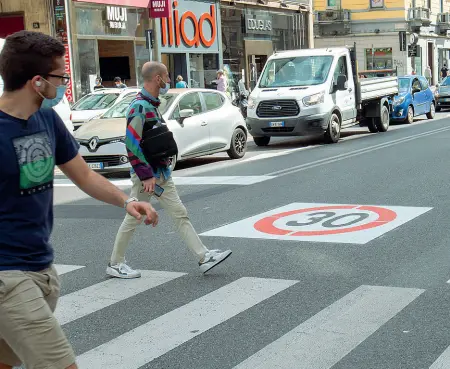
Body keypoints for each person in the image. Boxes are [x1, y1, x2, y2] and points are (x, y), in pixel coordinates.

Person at [0, 31, 158, 369]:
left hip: (40, 266)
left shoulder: (45, 118)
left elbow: (83, 175)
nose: (64, 84)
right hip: (7, 276)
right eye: (60, 76)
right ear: (37, 82)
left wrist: (126, 201)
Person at [108, 61, 232, 279]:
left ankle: (203, 257)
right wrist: (145, 175)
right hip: (149, 178)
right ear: (157, 78)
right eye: (166, 77)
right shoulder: (139, 107)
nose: (168, 81)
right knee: (134, 217)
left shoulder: (151, 104)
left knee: (179, 213)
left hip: (161, 174)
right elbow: (132, 143)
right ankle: (115, 263)